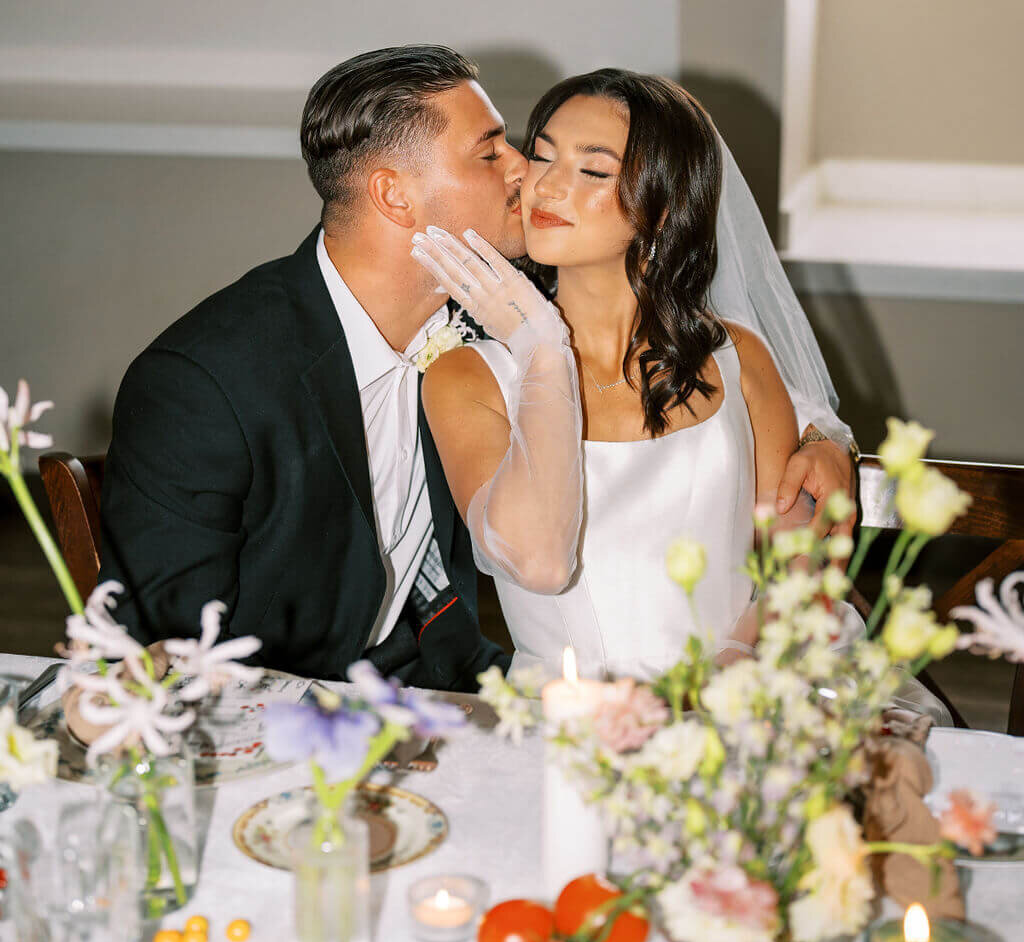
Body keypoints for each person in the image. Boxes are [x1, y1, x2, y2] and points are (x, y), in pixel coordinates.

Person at [102, 49, 853, 686]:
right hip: (294, 708)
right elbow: (165, 651)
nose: (529, 173)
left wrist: (827, 442)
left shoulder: (480, 307)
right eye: (494, 151)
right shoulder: (205, 384)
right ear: (395, 196)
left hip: (451, 678)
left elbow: (701, 381)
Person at [413, 70, 845, 679]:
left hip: (742, 697)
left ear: (663, 207)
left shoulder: (738, 359)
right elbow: (535, 561)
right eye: (541, 156)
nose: (548, 187)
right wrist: (540, 346)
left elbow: (796, 562)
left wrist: (731, 670)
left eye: (593, 171)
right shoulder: (466, 380)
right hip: (561, 726)